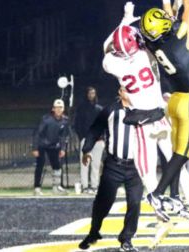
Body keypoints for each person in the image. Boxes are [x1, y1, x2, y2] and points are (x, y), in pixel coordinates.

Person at [102, 1, 189, 232]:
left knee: (146, 169)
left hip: (142, 123)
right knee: (177, 163)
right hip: (160, 117)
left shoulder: (112, 64)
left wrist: (125, 17)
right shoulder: (147, 53)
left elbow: (107, 45)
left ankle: (160, 209)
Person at [139, 0, 189, 227]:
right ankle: (157, 195)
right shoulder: (177, 35)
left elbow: (168, 20)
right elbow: (188, 10)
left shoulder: (153, 43)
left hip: (175, 100)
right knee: (183, 152)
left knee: (178, 150)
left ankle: (175, 196)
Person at [78, 97, 142, 252]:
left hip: (136, 167)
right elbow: (95, 129)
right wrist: (86, 149)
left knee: (135, 203)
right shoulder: (110, 110)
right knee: (104, 202)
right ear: (120, 91)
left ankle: (126, 239)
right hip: (114, 164)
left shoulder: (144, 108)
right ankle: (94, 232)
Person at [32, 99, 69, 196]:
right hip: (42, 145)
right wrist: (35, 147)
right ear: (53, 109)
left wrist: (62, 148)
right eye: (56, 107)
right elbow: (37, 133)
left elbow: (63, 136)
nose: (58, 109)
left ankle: (56, 187)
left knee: (57, 166)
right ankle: (37, 188)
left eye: (60, 107)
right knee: (40, 165)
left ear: (63, 109)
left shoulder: (65, 121)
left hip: (54, 146)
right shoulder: (46, 119)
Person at [74, 86, 104, 194]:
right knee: (85, 164)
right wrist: (82, 137)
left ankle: (95, 186)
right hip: (86, 140)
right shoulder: (81, 108)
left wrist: (102, 138)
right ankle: (85, 186)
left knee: (96, 165)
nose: (92, 95)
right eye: (90, 93)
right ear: (86, 94)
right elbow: (77, 124)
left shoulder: (100, 109)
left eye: (93, 93)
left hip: (98, 141)